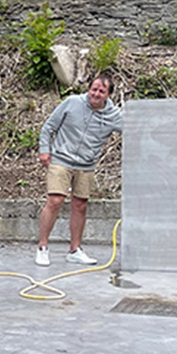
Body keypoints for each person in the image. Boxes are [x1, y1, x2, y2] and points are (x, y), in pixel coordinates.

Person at [36, 75, 123, 266]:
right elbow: (49, 127)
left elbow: (134, 131)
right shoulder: (72, 102)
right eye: (93, 89)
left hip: (86, 165)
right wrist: (44, 150)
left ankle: (74, 250)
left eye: (101, 91)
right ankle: (42, 247)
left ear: (108, 95)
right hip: (61, 159)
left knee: (80, 204)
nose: (96, 94)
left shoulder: (114, 116)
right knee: (55, 199)